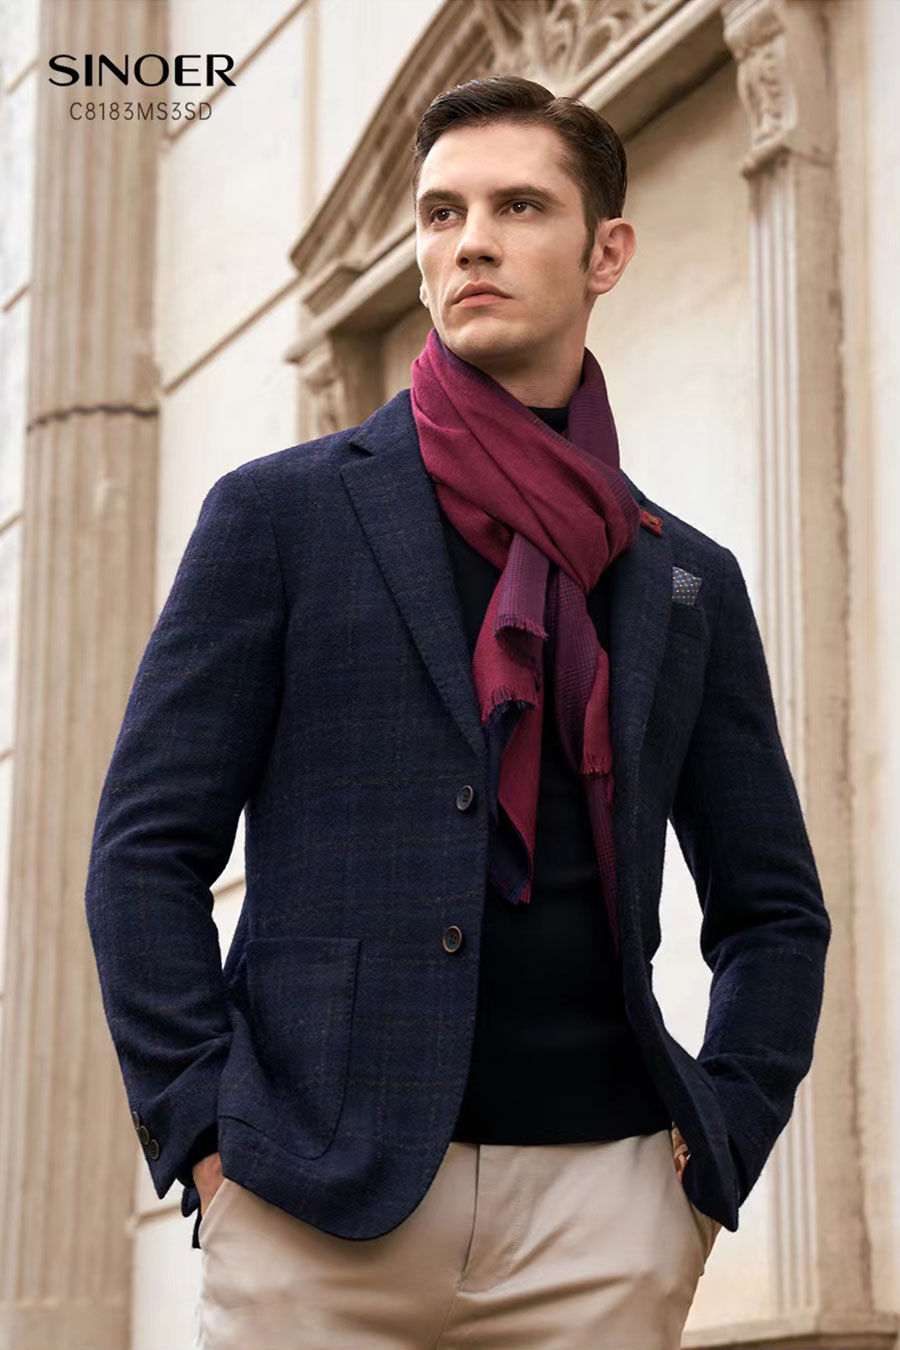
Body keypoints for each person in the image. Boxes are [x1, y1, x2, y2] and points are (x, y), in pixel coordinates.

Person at [84, 74, 831, 1350]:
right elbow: (143, 852)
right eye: (442, 213)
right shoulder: (282, 517)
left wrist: (720, 1150)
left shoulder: (684, 578)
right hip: (313, 1208)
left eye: (518, 207)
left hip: (604, 1222)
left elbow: (772, 907)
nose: (470, 241)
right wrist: (207, 1133)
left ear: (606, 254)